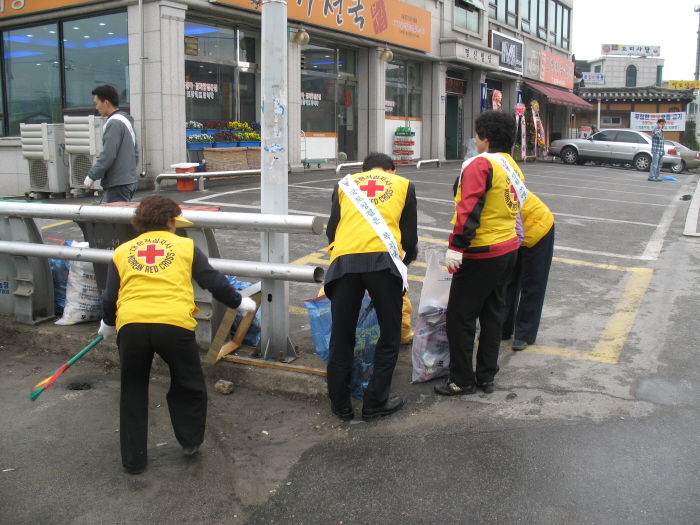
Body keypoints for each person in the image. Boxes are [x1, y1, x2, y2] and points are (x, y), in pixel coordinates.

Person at [98, 195, 257, 474]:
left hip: (132, 324)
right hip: (173, 324)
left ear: (141, 222)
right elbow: (213, 282)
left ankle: (133, 461)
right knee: (188, 382)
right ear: (170, 221)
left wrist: (108, 324)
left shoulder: (122, 251)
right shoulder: (185, 247)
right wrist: (238, 302)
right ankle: (190, 441)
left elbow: (110, 296)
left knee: (132, 389)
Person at [435, 110, 523, 396]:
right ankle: (486, 376)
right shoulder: (513, 167)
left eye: (477, 134)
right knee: (493, 315)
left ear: (484, 137)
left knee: (461, 318)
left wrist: (456, 247)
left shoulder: (481, 164)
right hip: (508, 248)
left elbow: (468, 208)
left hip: (482, 252)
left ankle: (461, 380)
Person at [325, 152, 418, 421]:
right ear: (392, 170)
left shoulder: (344, 185)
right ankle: (375, 402)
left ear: (363, 170)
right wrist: (403, 265)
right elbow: (409, 238)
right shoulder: (403, 185)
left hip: (345, 264)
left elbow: (332, 231)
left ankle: (341, 405)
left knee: (342, 337)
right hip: (383, 264)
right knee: (388, 336)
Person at [502, 191, 555, 351]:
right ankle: (503, 328)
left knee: (532, 282)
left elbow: (517, 230)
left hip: (538, 228)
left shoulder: (504, 192)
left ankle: (524, 333)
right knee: (508, 281)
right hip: (514, 232)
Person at [84, 85, 140, 202]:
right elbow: (136, 153)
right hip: (128, 180)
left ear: (106, 102)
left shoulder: (114, 123)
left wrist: (92, 176)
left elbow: (108, 154)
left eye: (97, 103)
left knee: (117, 219)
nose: (96, 107)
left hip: (118, 183)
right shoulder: (126, 120)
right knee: (119, 217)